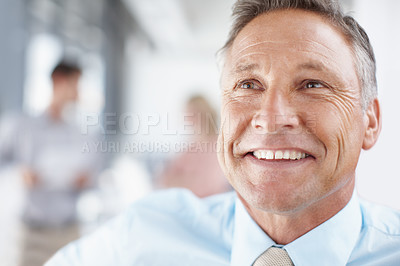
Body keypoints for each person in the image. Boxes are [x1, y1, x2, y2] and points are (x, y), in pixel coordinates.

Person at [46, 0, 400, 265]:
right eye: (248, 84)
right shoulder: (142, 236)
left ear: (370, 121)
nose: (271, 118)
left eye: (312, 84)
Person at [0, 61, 102, 266]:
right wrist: (19, 174)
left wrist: (86, 180)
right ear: (59, 81)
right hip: (32, 234)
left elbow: (96, 179)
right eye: (76, 84)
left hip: (68, 232)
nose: (78, 92)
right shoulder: (22, 126)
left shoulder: (85, 134)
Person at [156, 95, 230, 197]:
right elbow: (165, 179)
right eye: (187, 114)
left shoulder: (217, 146)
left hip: (206, 204)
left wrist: (181, 181)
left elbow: (207, 186)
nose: (188, 119)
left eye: (193, 114)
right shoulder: (190, 146)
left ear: (205, 115)